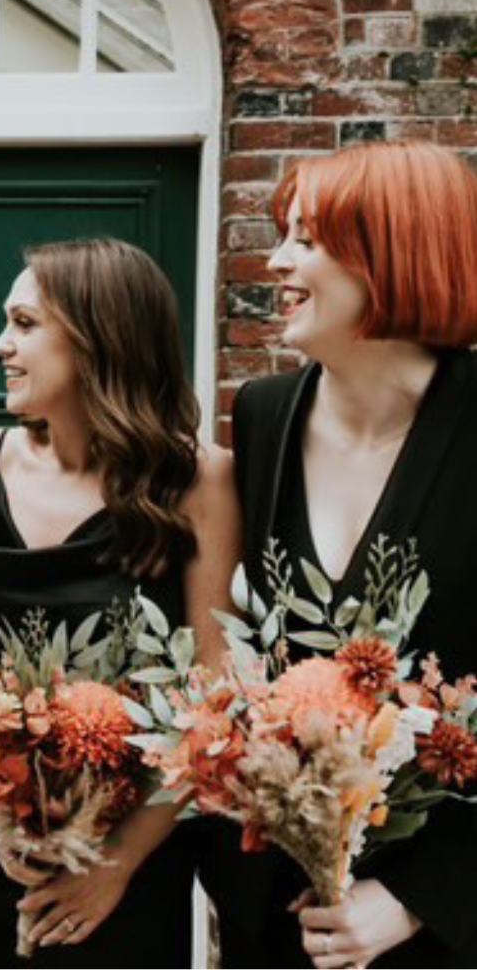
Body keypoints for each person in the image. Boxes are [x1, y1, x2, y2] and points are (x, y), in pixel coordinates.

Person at [213, 140, 477, 970]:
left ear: (392, 255)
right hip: (280, 921)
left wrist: (418, 900)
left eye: (307, 239)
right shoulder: (264, 416)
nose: (276, 261)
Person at [0, 237, 240, 969]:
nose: (0, 345)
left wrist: (116, 864)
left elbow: (214, 694)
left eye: (23, 324)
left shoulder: (199, 481)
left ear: (96, 338)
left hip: (128, 867)